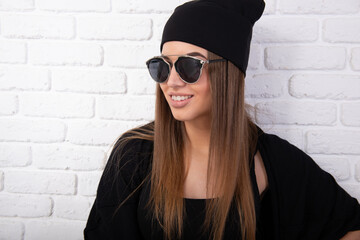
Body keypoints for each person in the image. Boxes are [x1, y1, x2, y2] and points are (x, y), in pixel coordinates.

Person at [84, 0, 360, 239]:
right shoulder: (134, 154)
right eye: (162, 66)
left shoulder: (273, 161)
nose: (172, 81)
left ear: (227, 73)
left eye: (189, 65)